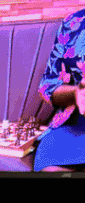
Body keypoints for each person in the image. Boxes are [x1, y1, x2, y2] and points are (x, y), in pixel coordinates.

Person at [34, 8, 85, 171]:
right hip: (75, 126)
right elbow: (48, 86)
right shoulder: (73, 23)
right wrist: (75, 93)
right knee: (51, 169)